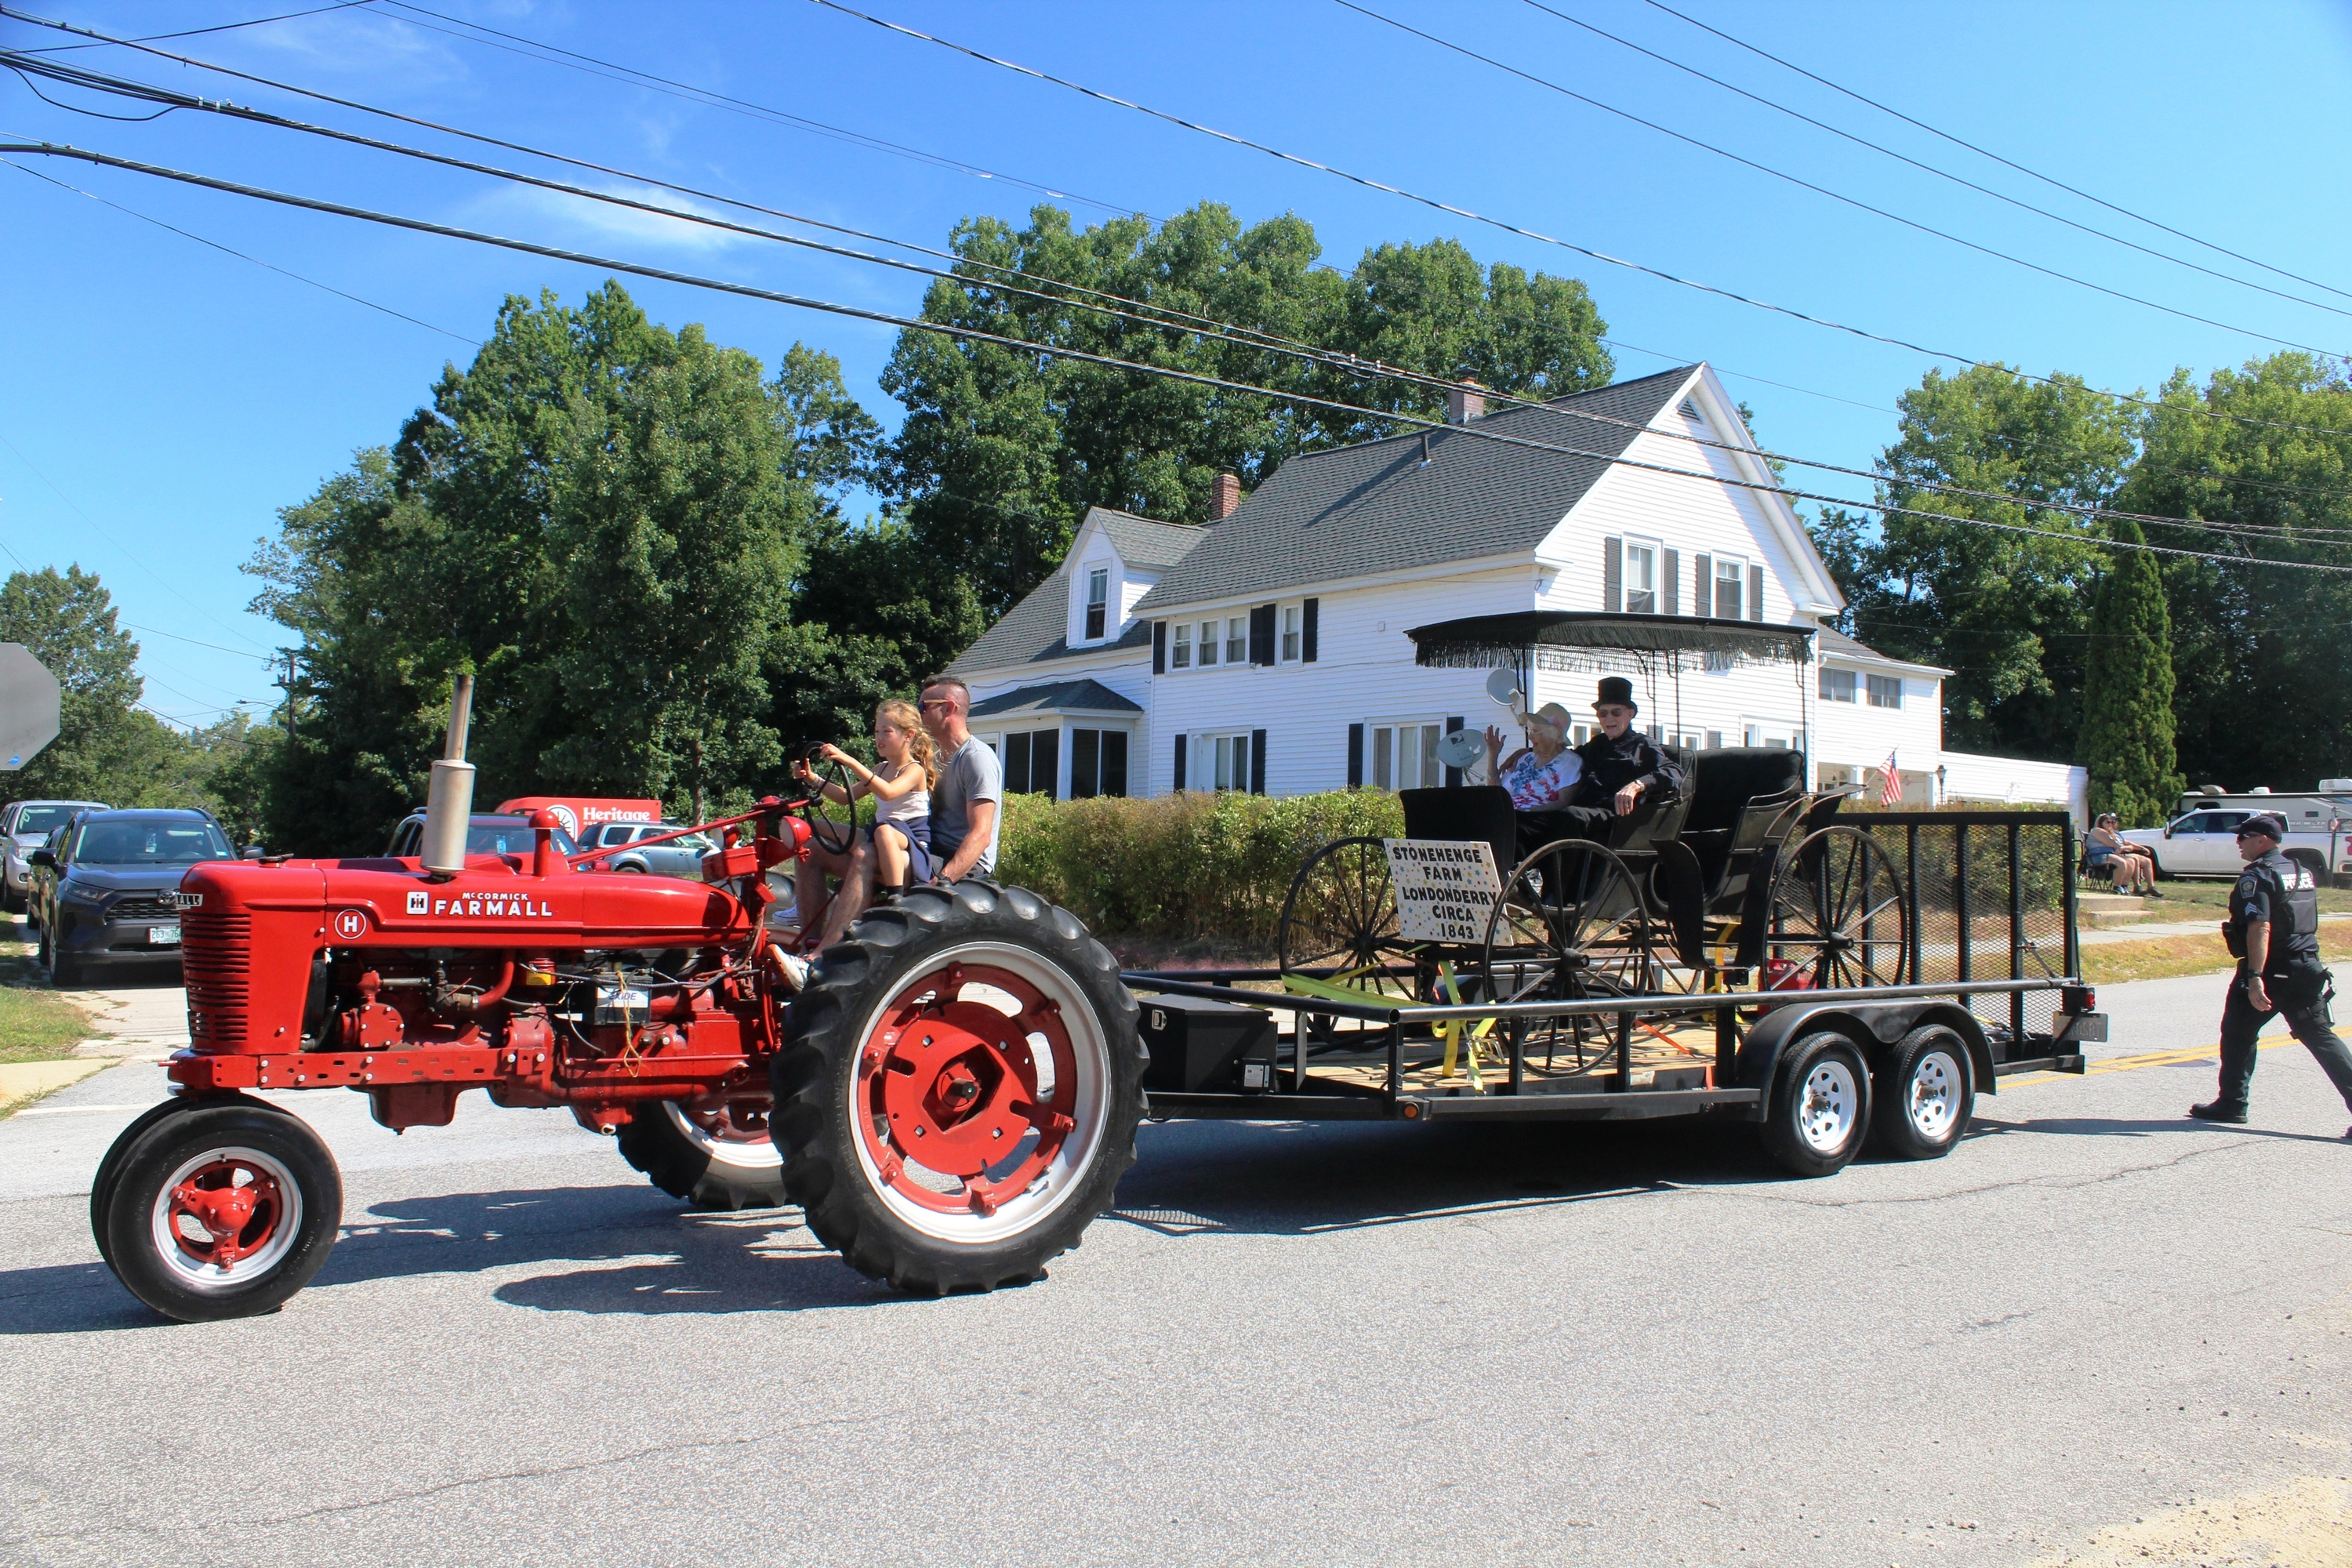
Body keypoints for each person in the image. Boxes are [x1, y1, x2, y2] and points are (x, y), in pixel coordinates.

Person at [2190, 811, 2352, 1136]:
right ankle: (2230, 1103)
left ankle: (2232, 1103)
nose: (2238, 842)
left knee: (2238, 1030)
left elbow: (2260, 926)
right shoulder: (2299, 870)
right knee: (2319, 1037)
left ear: (2262, 841)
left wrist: (2254, 976)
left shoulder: (2258, 876)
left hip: (2272, 969)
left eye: (2244, 837)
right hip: (2306, 966)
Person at [788, 699, 937, 950]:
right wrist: (813, 779)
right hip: (880, 836)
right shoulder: (880, 769)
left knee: (884, 830)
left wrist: (850, 761)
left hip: (908, 839)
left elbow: (889, 793)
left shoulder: (915, 770)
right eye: (877, 731)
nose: (879, 737)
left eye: (887, 732)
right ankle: (799, 901)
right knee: (815, 830)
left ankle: (896, 898)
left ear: (908, 735)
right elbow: (845, 798)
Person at [920, 674, 1003, 884]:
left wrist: (944, 881)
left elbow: (981, 834)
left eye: (923, 706)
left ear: (948, 708)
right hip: (932, 851)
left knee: (871, 858)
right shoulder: (935, 760)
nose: (918, 714)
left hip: (963, 863)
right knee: (828, 846)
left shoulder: (977, 758)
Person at [1483, 702, 1582, 810]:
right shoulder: (1526, 758)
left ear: (1554, 735)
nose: (1530, 737)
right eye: (1530, 731)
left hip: (1534, 822)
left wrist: (1525, 814)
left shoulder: (1569, 762)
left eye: (1535, 731)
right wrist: (1493, 755)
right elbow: (1496, 793)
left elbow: (1563, 803)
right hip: (1506, 817)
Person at [2085, 811, 2160, 896]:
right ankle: (2117, 887)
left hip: (2110, 854)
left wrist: (2139, 848)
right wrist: (2125, 848)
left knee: (2131, 861)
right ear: (2101, 822)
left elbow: (2123, 843)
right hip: (2098, 856)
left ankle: (2124, 886)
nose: (2111, 824)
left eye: (2113, 822)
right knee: (2122, 862)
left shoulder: (2112, 833)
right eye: (2108, 822)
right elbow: (2112, 843)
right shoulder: (2097, 830)